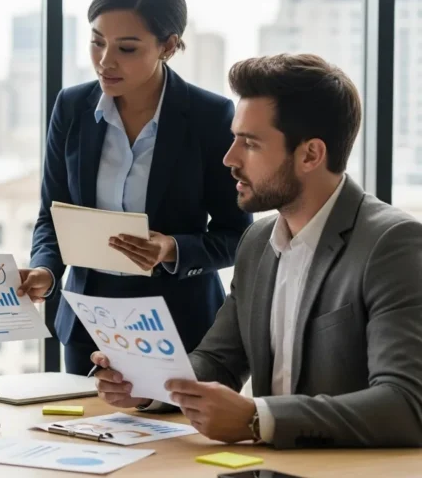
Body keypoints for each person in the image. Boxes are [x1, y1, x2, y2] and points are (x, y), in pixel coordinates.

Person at [91, 53, 422, 449]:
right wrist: (148, 384)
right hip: (269, 468)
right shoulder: (257, 242)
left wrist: (257, 419)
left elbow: (405, 404)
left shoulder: (393, 244)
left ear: (310, 155)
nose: (229, 159)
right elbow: (218, 361)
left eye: (249, 143)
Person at [19, 0, 252, 374]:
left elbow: (238, 236)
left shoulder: (209, 116)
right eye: (96, 41)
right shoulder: (72, 108)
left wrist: (172, 249)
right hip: (88, 323)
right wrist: (45, 270)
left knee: (176, 437)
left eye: (126, 48)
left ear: (169, 46)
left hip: (180, 324)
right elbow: (51, 217)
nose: (105, 61)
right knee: (83, 435)